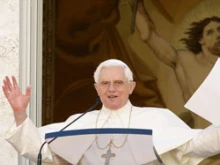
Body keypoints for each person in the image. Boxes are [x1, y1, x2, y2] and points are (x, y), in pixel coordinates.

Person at [3, 59, 220, 165]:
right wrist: (20, 114)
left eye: (118, 82)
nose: (112, 89)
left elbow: (196, 145)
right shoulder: (78, 123)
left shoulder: (157, 118)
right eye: (105, 83)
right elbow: (40, 149)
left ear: (131, 87)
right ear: (96, 89)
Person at [133, 0, 220, 129]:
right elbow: (149, 36)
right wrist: (139, 13)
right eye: (210, 32)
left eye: (219, 30)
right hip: (207, 140)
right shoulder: (186, 61)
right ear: (201, 40)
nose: (218, 35)